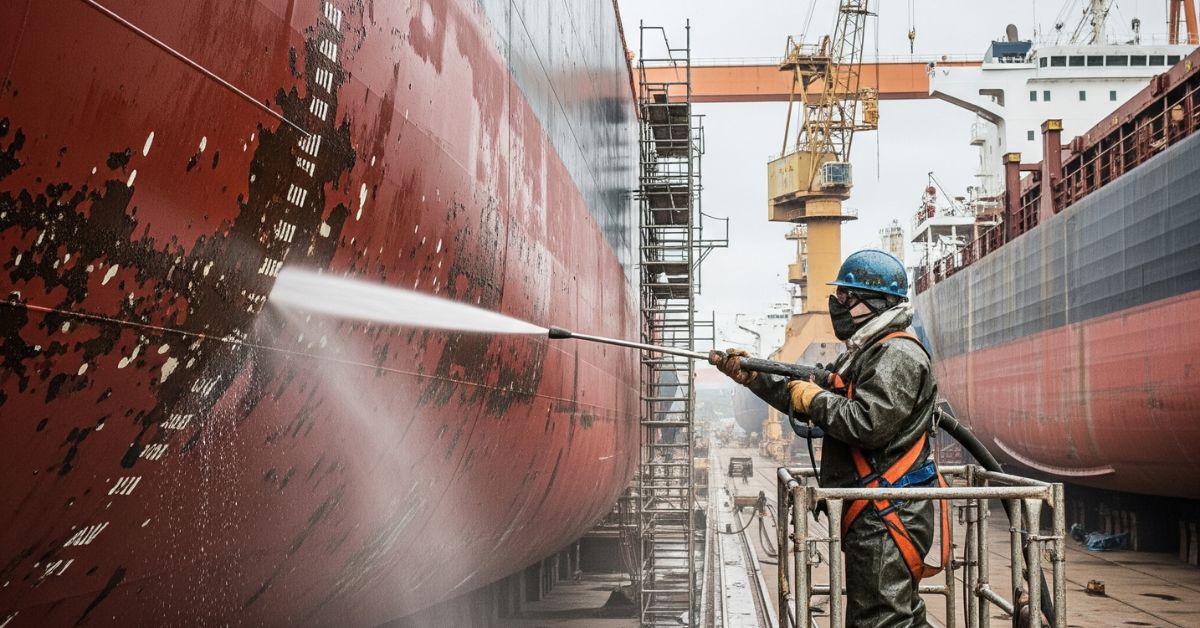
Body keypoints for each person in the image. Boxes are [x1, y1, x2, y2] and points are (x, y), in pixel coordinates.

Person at [711, 249, 945, 627]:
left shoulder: (897, 354)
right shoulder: (867, 353)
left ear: (875, 302)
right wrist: (753, 375)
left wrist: (816, 400)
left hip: (887, 514)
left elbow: (867, 423)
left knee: (880, 620)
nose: (836, 305)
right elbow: (809, 389)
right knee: (894, 616)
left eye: (845, 298)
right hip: (875, 512)